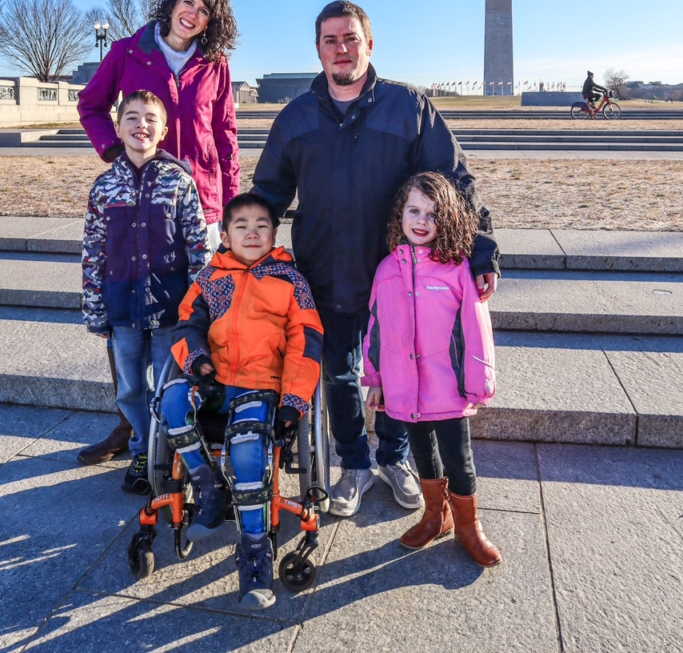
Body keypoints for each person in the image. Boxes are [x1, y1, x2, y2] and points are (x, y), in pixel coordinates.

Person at [252, 0, 499, 518]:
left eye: (350, 38)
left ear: (369, 43)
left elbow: (454, 182)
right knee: (339, 372)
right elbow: (267, 193)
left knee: (399, 362)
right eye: (330, 41)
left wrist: (481, 250)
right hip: (324, 269)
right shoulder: (296, 117)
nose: (341, 49)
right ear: (318, 50)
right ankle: (356, 464)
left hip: (400, 273)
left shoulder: (408, 108)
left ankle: (394, 457)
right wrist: (242, 255)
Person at [77, 0, 240, 465]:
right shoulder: (129, 51)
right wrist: (113, 153)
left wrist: (230, 207)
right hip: (136, 201)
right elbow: (91, 104)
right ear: (173, 3)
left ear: (213, 21)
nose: (192, 13)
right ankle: (131, 429)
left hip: (199, 202)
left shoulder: (215, 64)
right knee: (125, 311)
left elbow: (226, 133)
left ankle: (191, 423)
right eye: (187, 2)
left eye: (204, 10)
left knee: (195, 316)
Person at [161, 193, 323, 610]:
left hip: (260, 385)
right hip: (213, 381)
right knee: (172, 399)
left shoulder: (290, 282)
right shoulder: (209, 278)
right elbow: (185, 327)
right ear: (226, 234)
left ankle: (254, 554)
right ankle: (208, 486)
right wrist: (197, 364)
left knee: (250, 449)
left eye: (262, 225)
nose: (252, 232)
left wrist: (294, 400)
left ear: (274, 232)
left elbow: (305, 343)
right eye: (242, 226)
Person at [363, 171, 501, 566]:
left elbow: (476, 330)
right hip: (404, 388)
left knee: (459, 458)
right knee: (423, 453)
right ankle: (434, 515)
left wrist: (479, 381)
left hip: (450, 387)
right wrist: (374, 379)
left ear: (449, 219)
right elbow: (375, 328)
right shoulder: (386, 269)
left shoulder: (457, 268)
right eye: (415, 210)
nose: (422, 221)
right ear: (401, 214)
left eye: (433, 213)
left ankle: (468, 526)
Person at [81, 90, 209, 493]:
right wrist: (94, 308)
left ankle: (171, 450)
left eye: (150, 118)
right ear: (118, 128)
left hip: (170, 307)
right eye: (132, 118)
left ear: (164, 130)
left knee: (171, 385)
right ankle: (141, 448)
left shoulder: (179, 182)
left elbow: (199, 249)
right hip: (122, 309)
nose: (141, 125)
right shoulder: (105, 188)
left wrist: (198, 308)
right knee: (133, 387)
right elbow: (92, 252)